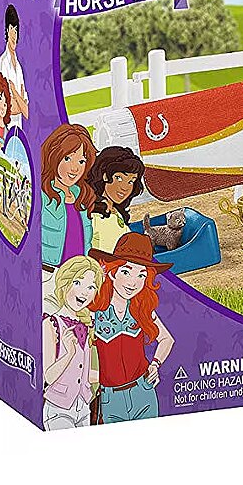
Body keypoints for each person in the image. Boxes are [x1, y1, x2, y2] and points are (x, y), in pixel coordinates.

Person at [88, 233, 175, 422]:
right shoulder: (94, 310)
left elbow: (167, 339)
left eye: (141, 275)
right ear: (113, 272)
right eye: (126, 272)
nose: (133, 282)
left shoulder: (141, 309)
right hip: (110, 398)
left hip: (143, 391)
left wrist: (155, 364)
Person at [42, 255, 103, 431]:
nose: (84, 292)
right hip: (58, 408)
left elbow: (86, 370)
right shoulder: (51, 324)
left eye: (91, 287)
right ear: (64, 284)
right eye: (78, 283)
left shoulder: (87, 325)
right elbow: (48, 377)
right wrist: (69, 354)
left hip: (83, 406)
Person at [39, 125, 97, 302]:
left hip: (78, 278)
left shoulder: (82, 195)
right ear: (54, 156)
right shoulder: (42, 195)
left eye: (81, 161)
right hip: (49, 274)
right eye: (67, 158)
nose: (75, 168)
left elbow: (85, 238)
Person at [86, 145, 145, 253]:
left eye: (131, 181)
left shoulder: (116, 213)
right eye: (119, 178)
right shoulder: (93, 216)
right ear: (105, 175)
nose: (125, 187)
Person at [0, 5, 29, 131]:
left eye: (16, 30)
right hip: (8, 127)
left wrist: (15, 93)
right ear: (6, 30)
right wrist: (19, 101)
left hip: (19, 127)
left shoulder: (19, 67)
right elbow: (11, 108)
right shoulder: (3, 62)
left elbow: (25, 111)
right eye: (11, 29)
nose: (14, 34)